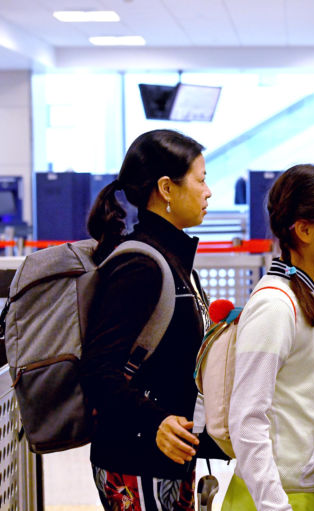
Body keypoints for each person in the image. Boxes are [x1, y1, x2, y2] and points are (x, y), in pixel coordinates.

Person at [80, 129, 213, 511]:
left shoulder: (174, 261)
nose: (208, 192)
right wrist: (154, 422)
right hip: (136, 458)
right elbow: (98, 370)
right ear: (167, 188)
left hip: (168, 453)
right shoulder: (141, 265)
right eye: (201, 180)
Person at [222, 164, 314, 511]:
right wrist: (275, 505)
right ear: (305, 230)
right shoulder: (274, 305)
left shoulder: (311, 294)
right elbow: (247, 419)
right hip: (283, 498)